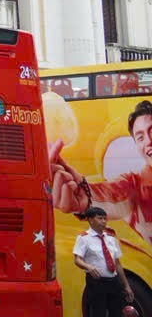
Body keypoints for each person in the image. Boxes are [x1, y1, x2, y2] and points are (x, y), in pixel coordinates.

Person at [52, 100, 152, 245]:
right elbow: (109, 192)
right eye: (140, 137)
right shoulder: (134, 186)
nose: (148, 141)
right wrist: (84, 195)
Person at [74, 206, 134, 317]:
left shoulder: (111, 239)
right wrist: (88, 266)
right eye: (100, 218)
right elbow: (77, 259)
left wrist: (126, 286)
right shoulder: (84, 238)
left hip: (113, 282)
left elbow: (118, 264)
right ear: (90, 219)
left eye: (104, 218)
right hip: (96, 282)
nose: (103, 221)